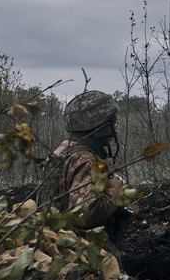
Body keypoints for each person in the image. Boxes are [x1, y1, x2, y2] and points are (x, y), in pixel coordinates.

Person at [53, 90, 132, 253]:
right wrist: (114, 191)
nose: (114, 127)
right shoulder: (86, 160)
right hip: (82, 252)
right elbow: (86, 213)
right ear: (98, 126)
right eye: (111, 122)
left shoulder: (62, 151)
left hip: (55, 242)